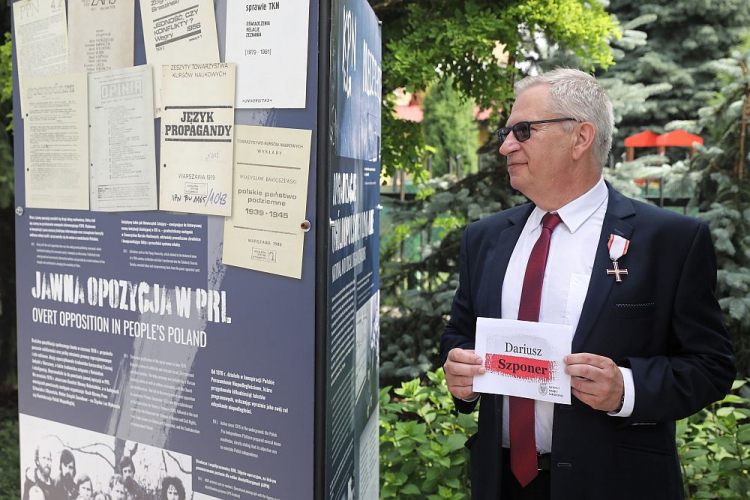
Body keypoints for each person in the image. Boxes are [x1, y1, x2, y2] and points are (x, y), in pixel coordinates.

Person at [440, 68, 735, 500]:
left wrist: (625, 389)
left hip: (615, 484)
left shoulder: (669, 240)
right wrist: (460, 373)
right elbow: (460, 334)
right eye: (507, 132)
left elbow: (711, 366)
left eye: (523, 131)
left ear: (580, 138)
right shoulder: (484, 238)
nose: (505, 146)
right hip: (500, 483)